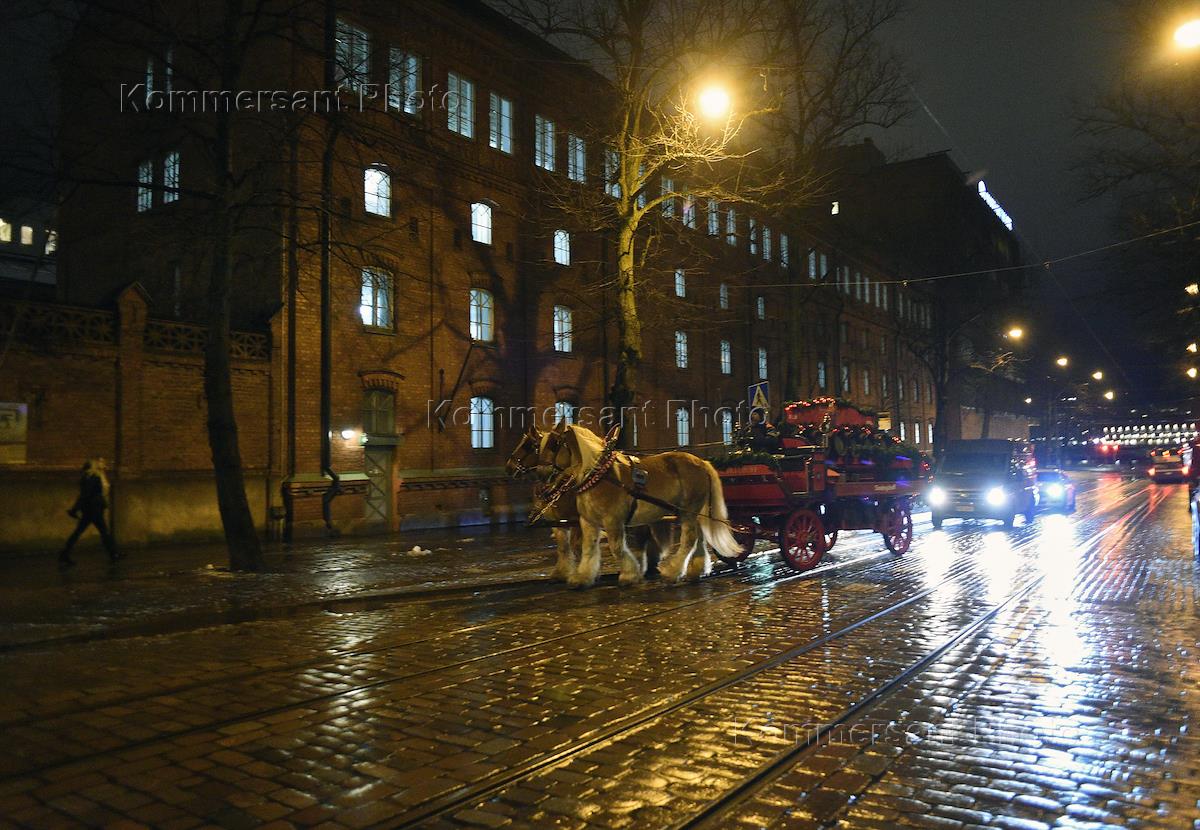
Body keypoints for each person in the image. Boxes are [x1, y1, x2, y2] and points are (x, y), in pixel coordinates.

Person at [59, 458, 122, 566]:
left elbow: (84, 495)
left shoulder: (86, 478)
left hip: (89, 509)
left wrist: (75, 509)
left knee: (80, 532)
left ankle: (65, 553)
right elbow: (87, 494)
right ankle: (113, 554)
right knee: (103, 532)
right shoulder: (94, 478)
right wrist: (75, 508)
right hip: (94, 509)